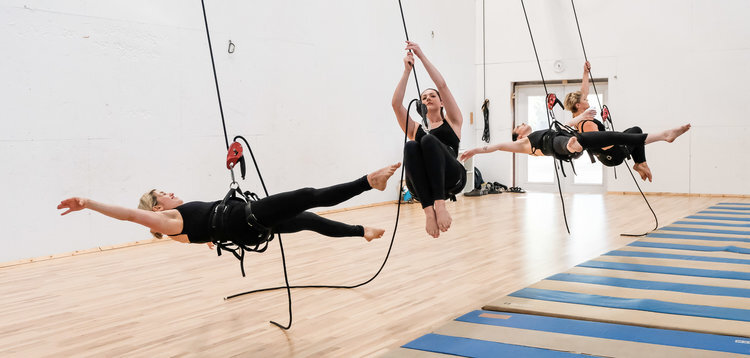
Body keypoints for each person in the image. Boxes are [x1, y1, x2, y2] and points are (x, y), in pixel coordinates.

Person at [57, 163, 401, 247]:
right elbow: (132, 215)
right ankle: (369, 182)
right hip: (247, 218)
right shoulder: (171, 221)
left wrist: (209, 240)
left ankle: (362, 231)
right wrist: (89, 203)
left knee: (308, 218)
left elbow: (208, 235)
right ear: (157, 208)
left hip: (249, 230)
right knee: (308, 194)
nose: (171, 192)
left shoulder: (179, 232)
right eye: (163, 193)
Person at [391, 41, 466, 238]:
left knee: (428, 141)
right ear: (420, 106)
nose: (428, 98)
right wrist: (406, 72)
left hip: (450, 177)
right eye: (424, 97)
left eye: (432, 96)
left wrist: (421, 56)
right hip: (424, 185)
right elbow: (396, 104)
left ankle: (440, 205)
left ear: (441, 102)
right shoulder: (416, 128)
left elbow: (442, 85)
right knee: (411, 145)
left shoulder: (453, 121)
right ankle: (428, 211)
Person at [459, 122, 691, 174]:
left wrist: (582, 116)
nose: (522, 124)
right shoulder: (522, 143)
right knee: (567, 142)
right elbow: (496, 147)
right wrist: (474, 151)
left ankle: (643, 157)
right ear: (518, 134)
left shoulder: (540, 130)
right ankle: (663, 136)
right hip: (562, 147)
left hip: (571, 143)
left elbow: (565, 125)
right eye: (519, 125)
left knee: (627, 134)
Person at [563, 61, 653, 181]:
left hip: (609, 155)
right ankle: (641, 163)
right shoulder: (587, 124)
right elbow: (604, 146)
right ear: (579, 105)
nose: (588, 99)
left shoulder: (578, 118)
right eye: (586, 99)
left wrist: (585, 72)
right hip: (613, 155)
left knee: (632, 132)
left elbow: (584, 91)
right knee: (636, 131)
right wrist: (616, 137)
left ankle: (640, 164)